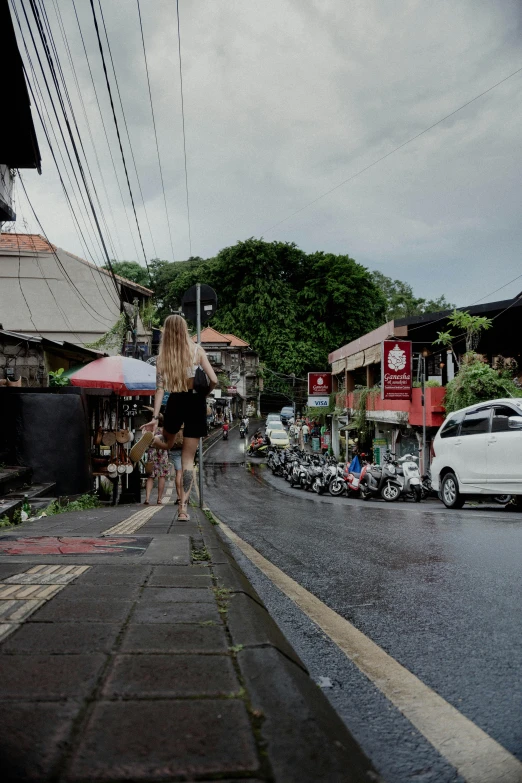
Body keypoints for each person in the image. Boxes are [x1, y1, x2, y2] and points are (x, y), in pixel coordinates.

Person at [131, 314, 217, 522]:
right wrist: (203, 395)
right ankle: (183, 509)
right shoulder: (197, 351)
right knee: (188, 461)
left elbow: (159, 390)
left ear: (166, 333)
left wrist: (154, 417)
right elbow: (213, 379)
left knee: (169, 444)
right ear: (185, 328)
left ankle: (154, 440)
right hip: (196, 403)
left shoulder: (163, 357)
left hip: (176, 401)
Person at [144, 414, 170, 505]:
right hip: (163, 452)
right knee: (161, 476)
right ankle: (159, 499)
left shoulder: (150, 429)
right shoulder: (165, 430)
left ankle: (147, 498)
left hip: (152, 452)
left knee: (150, 476)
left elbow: (145, 441)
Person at [169, 426, 184, 505]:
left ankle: (179, 497)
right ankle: (185, 497)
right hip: (185, 448)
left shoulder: (173, 422)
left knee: (178, 473)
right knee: (185, 472)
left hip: (174, 449)